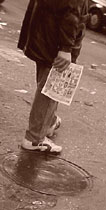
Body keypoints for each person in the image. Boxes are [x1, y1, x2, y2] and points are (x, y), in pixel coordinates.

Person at [18, 0, 88, 153]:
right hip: (55, 41)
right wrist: (66, 48)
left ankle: (48, 122)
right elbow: (71, 11)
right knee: (50, 90)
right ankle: (35, 138)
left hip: (43, 32)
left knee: (45, 81)